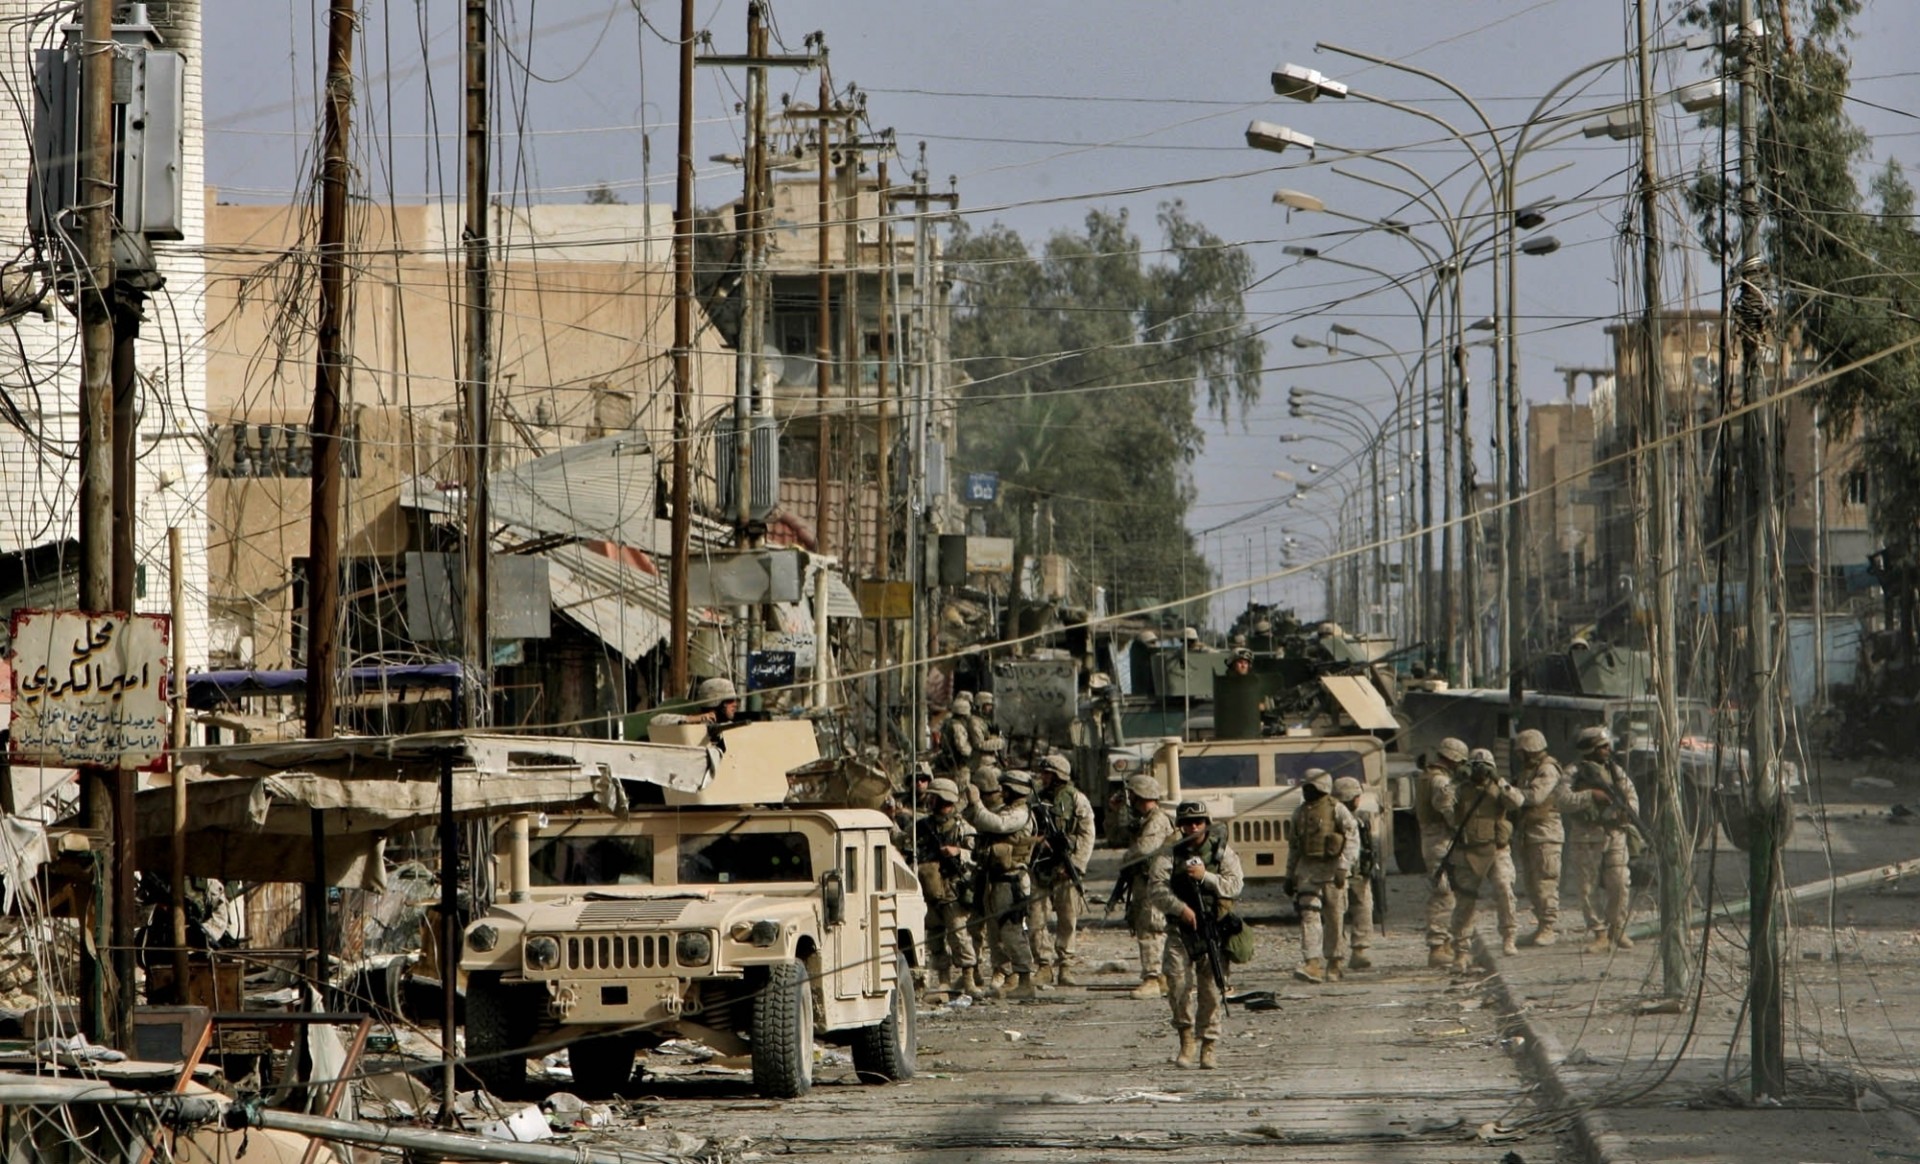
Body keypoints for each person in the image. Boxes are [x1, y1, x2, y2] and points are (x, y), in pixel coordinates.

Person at [1146, 801, 1244, 1069]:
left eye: (1198, 822)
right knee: (1177, 985)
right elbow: (1156, 889)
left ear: (1206, 823)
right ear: (1180, 825)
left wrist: (1206, 877)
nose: (1193, 827)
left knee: (1211, 991)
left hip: (1213, 930)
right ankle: (1186, 1040)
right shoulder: (1168, 854)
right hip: (1181, 930)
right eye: (1188, 823)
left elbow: (1234, 886)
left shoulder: (1221, 852)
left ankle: (1209, 1045)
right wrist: (1181, 909)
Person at [1438, 747, 1525, 971]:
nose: (1480, 773)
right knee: (1465, 900)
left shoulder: (1499, 789)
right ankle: (1461, 950)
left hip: (1496, 849)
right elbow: (1440, 803)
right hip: (1468, 850)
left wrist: (1499, 780)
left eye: (1484, 768)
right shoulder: (1461, 788)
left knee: (1504, 887)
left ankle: (1508, 936)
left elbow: (1517, 802)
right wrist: (1456, 780)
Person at [962, 769, 1041, 1000]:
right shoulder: (1007, 810)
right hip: (996, 879)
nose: (1001, 792)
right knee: (997, 933)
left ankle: (1025, 979)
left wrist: (977, 803)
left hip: (1012, 880)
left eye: (1005, 788)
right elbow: (979, 821)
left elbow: (996, 825)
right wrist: (972, 806)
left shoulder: (1019, 814)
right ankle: (1011, 978)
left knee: (1012, 930)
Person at [1562, 726, 1641, 953]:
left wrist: (1628, 811)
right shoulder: (1574, 772)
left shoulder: (1614, 771)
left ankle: (1617, 928)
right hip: (1586, 835)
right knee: (1587, 886)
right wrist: (1590, 795)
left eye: (1607, 746)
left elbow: (1631, 795)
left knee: (1620, 881)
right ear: (1591, 749)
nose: (1607, 750)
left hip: (1614, 833)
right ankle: (1600, 933)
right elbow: (1562, 799)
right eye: (1602, 747)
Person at [1285, 769, 1359, 983]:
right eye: (1306, 787)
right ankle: (1312, 962)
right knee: (1309, 915)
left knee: (1335, 918)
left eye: (1312, 787)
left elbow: (1352, 839)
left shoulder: (1338, 810)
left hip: (1332, 870)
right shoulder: (1299, 813)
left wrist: (1343, 867)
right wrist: (1289, 875)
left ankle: (1335, 962)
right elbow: (1294, 846)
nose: (1308, 792)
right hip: (1307, 871)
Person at [1028, 754, 1095, 985]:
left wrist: (1076, 864)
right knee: (1036, 919)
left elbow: (1087, 834)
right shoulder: (1034, 800)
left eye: (1047, 773)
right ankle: (1043, 965)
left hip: (1065, 867)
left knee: (1068, 919)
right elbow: (1026, 829)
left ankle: (1065, 966)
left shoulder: (1077, 799)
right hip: (1040, 867)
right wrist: (1037, 842)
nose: (1043, 777)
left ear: (1058, 776)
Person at [913, 778, 981, 998]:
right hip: (929, 890)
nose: (930, 800)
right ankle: (944, 979)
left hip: (952, 889)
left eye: (934, 797)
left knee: (959, 935)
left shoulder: (963, 828)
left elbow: (977, 857)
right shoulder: (922, 827)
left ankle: (969, 978)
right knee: (934, 936)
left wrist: (958, 852)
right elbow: (904, 843)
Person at [1111, 773, 1176, 998]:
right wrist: (1116, 811)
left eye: (1132, 796)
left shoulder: (1157, 820)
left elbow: (1143, 849)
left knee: (1151, 928)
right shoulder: (1143, 819)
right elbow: (1115, 835)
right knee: (1149, 926)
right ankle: (1161, 977)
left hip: (1155, 883)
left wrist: (1125, 860)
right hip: (1145, 881)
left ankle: (1152, 978)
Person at [1418, 738, 1469, 968]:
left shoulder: (1426, 776)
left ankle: (1444, 943)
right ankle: (1437, 946)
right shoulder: (1439, 780)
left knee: (1446, 892)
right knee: (1443, 894)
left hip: (1433, 838)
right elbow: (1448, 811)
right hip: (1440, 839)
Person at [1514, 728, 1567, 946]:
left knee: (1546, 882)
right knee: (1532, 883)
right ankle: (1540, 925)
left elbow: (1536, 796)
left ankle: (1549, 927)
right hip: (1530, 834)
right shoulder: (1530, 770)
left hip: (1547, 833)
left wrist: (1510, 792)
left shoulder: (1547, 770)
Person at [1333, 775, 1378, 972]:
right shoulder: (1334, 819)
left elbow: (1368, 845)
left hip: (1359, 872)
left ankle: (1358, 952)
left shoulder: (1362, 818)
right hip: (1339, 873)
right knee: (1338, 913)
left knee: (1362, 908)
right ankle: (1338, 955)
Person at [652, 676, 741, 727]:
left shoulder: (729, 727)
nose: (735, 704)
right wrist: (692, 719)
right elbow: (655, 721)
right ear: (715, 703)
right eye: (730, 700)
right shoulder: (695, 723)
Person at [939, 694, 977, 774]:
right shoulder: (958, 727)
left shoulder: (948, 723)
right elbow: (962, 747)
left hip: (948, 759)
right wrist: (973, 754)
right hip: (957, 763)